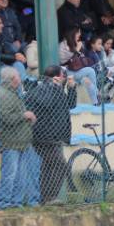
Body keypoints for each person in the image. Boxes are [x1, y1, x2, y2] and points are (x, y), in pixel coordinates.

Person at [26, 66, 78, 204]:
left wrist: (71, 88)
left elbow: (69, 104)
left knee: (48, 167)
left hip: (52, 136)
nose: (64, 78)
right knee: (61, 165)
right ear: (56, 76)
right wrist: (54, 86)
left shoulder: (56, 90)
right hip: (44, 136)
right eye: (63, 75)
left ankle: (45, 198)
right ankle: (50, 197)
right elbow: (46, 103)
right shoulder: (42, 88)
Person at [0, 66, 39, 209]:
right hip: (11, 142)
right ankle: (4, 202)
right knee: (10, 174)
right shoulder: (4, 94)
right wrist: (24, 115)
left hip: (21, 141)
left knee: (20, 175)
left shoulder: (14, 93)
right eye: (18, 76)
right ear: (13, 79)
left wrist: (28, 117)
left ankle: (16, 202)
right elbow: (6, 118)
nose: (20, 79)